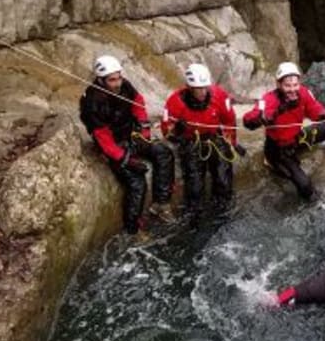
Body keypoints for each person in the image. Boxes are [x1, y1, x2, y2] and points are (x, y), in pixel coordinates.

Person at [79, 54, 175, 235]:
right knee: (137, 181)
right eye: (112, 80)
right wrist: (125, 159)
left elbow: (137, 102)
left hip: (131, 136)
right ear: (101, 80)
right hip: (112, 146)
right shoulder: (92, 102)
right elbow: (103, 137)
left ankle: (161, 203)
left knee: (163, 152)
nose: (117, 83)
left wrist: (144, 130)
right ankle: (133, 229)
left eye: (119, 77)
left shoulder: (125, 86)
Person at [242, 61, 325, 201]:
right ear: (279, 84)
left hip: (297, 138)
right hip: (279, 150)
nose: (292, 89)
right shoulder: (268, 100)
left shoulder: (303, 92)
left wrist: (323, 114)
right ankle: (315, 202)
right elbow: (248, 120)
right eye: (287, 86)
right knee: (305, 186)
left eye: (295, 85)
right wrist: (258, 119)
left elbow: (313, 108)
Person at [161, 63, 241, 214]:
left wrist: (231, 142)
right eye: (199, 88)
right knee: (195, 187)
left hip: (214, 138)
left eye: (205, 87)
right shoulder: (175, 102)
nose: (203, 92)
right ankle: (195, 214)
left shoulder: (219, 96)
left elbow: (229, 120)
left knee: (223, 179)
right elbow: (167, 131)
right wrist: (178, 131)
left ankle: (222, 210)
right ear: (189, 87)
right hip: (190, 141)